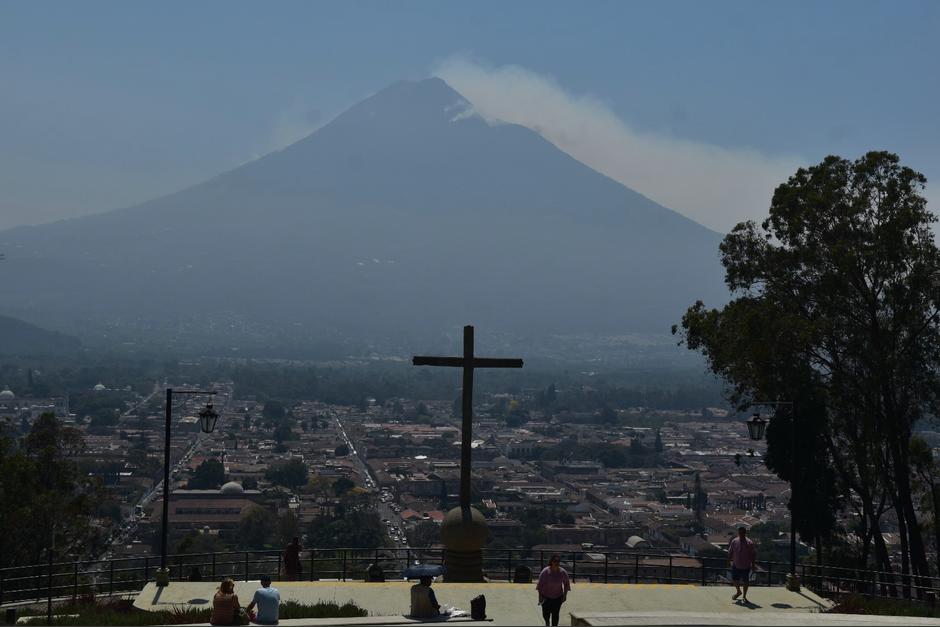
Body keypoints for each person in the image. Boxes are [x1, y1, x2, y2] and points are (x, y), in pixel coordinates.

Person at [536, 555, 571, 627]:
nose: (557, 563)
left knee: (555, 614)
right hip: (546, 597)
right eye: (555, 561)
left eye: (558, 561)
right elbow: (540, 585)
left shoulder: (563, 572)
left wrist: (565, 595)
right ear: (551, 562)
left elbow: (566, 584)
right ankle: (547, 622)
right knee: (546, 614)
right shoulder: (545, 572)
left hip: (558, 597)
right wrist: (540, 597)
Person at [728, 526, 757, 603]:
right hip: (736, 564)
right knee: (734, 580)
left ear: (745, 533)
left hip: (745, 565)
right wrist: (729, 561)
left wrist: (753, 565)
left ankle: (744, 596)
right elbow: (730, 552)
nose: (741, 534)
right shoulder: (734, 541)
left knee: (745, 581)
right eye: (740, 533)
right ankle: (738, 591)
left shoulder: (749, 543)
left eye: (742, 533)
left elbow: (753, 554)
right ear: (738, 533)